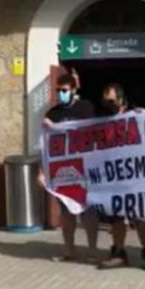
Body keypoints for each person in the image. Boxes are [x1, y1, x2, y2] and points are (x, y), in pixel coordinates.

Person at [38, 73, 99, 263]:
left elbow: (88, 132)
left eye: (64, 90)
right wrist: (41, 171)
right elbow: (45, 146)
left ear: (73, 90)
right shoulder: (52, 113)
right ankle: (69, 250)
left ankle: (92, 250)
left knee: (88, 210)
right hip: (62, 169)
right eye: (58, 91)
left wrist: (57, 127)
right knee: (65, 211)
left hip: (85, 167)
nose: (61, 94)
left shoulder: (85, 107)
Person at [96, 83, 145, 271]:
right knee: (116, 218)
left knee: (140, 216)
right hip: (113, 176)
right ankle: (119, 252)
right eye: (105, 101)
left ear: (121, 100)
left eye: (112, 101)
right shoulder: (103, 121)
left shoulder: (136, 116)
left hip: (135, 176)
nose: (108, 105)